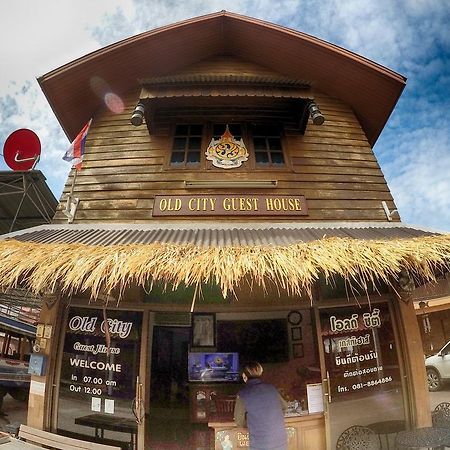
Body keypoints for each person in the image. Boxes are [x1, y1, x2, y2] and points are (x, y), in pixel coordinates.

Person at [234, 361, 287, 450]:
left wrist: (252, 424)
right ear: (260, 373)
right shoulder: (271, 388)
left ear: (244, 376)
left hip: (260, 443)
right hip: (280, 441)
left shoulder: (243, 394)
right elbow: (284, 407)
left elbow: (239, 421)